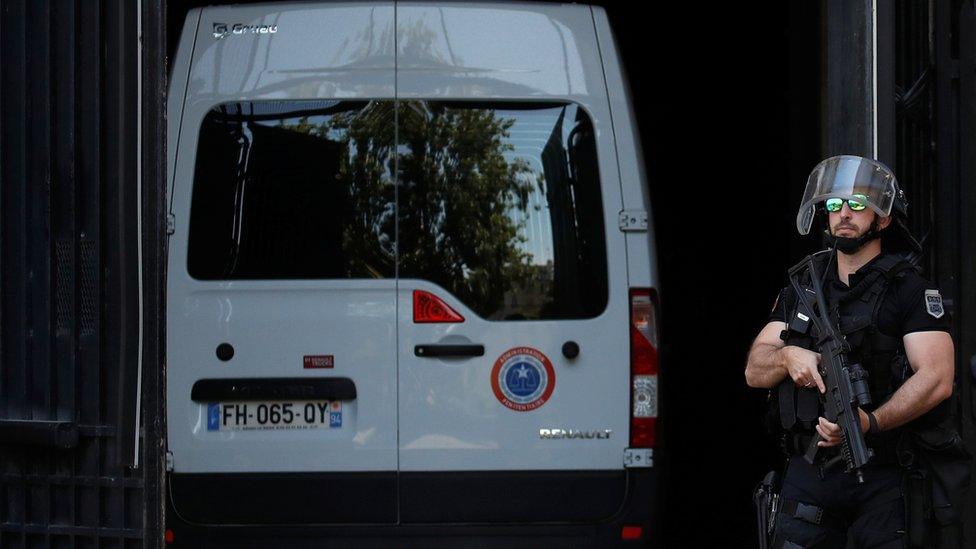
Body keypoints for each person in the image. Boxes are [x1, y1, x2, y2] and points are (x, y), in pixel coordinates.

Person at [745, 155, 956, 548]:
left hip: (880, 475)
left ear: (883, 218)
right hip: (809, 473)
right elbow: (755, 370)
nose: (844, 213)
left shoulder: (909, 290)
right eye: (835, 204)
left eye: (858, 204)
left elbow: (937, 379)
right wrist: (788, 356)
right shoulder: (803, 287)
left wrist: (869, 423)